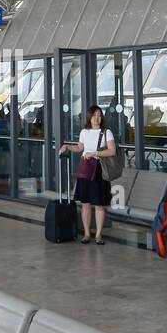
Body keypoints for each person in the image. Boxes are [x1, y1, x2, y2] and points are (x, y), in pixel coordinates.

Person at [58, 105, 118, 244]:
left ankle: (98, 235)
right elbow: (80, 148)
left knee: (99, 205)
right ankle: (86, 234)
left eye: (99, 115)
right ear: (89, 117)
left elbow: (112, 151)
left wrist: (95, 153)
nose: (97, 118)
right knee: (85, 204)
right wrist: (67, 146)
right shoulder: (84, 132)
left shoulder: (106, 132)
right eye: (94, 115)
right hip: (85, 170)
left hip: (99, 170)